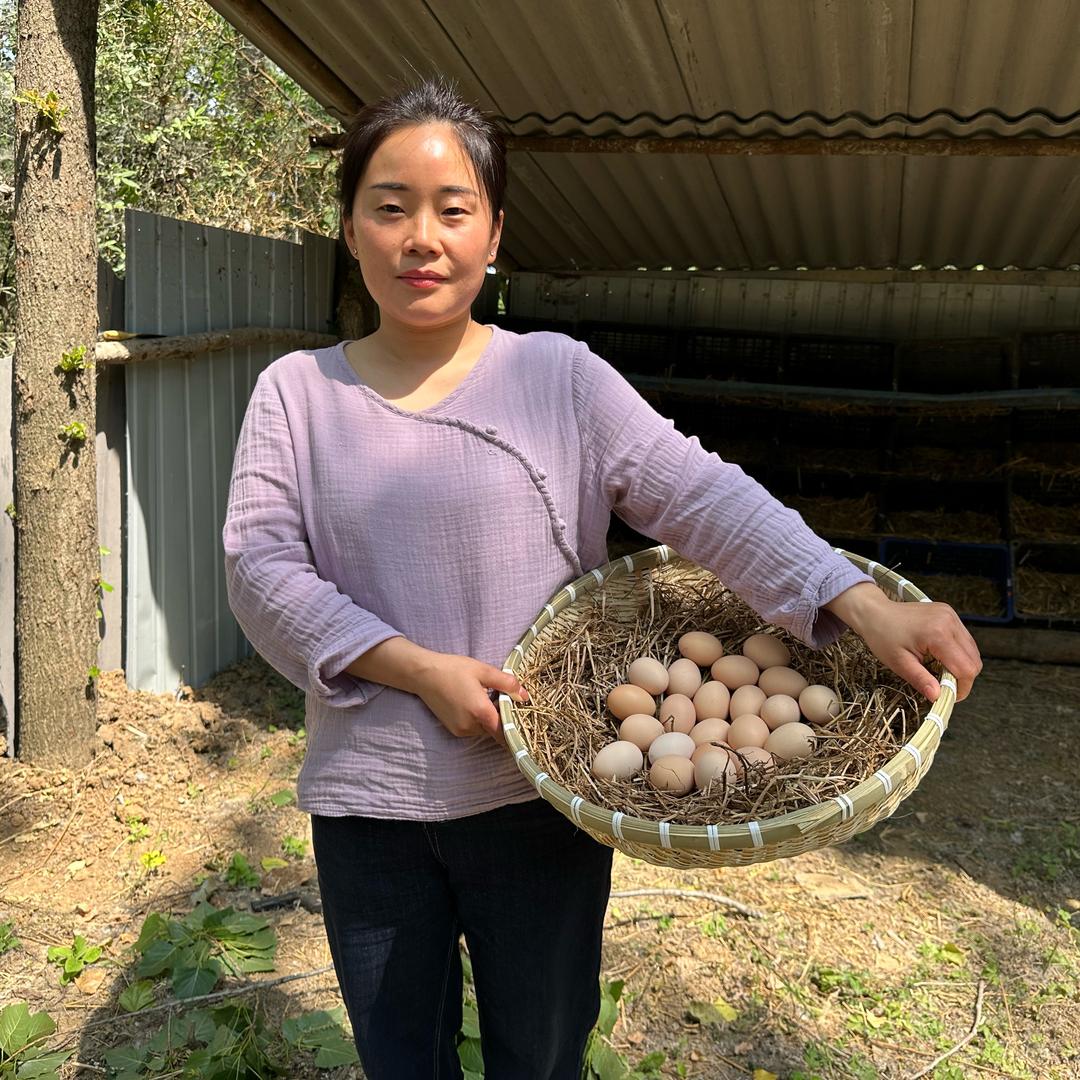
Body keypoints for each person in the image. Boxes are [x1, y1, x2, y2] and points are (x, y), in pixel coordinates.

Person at [223, 78, 982, 1079]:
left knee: (540, 1055)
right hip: (371, 811)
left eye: (453, 210)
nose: (421, 236)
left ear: (495, 233)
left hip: (540, 807)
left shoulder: (559, 379)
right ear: (351, 229)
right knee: (399, 1059)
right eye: (390, 206)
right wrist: (414, 670)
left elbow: (702, 496)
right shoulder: (297, 394)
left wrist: (861, 602)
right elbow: (259, 566)